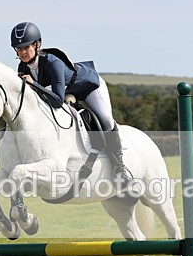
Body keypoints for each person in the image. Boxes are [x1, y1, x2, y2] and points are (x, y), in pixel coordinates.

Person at [10, 21, 131, 181]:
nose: (23, 52)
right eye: (19, 49)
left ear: (37, 45)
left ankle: (119, 167)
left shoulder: (53, 63)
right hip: (66, 91)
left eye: (26, 47)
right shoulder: (22, 68)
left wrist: (34, 84)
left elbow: (57, 101)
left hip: (88, 86)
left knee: (106, 120)